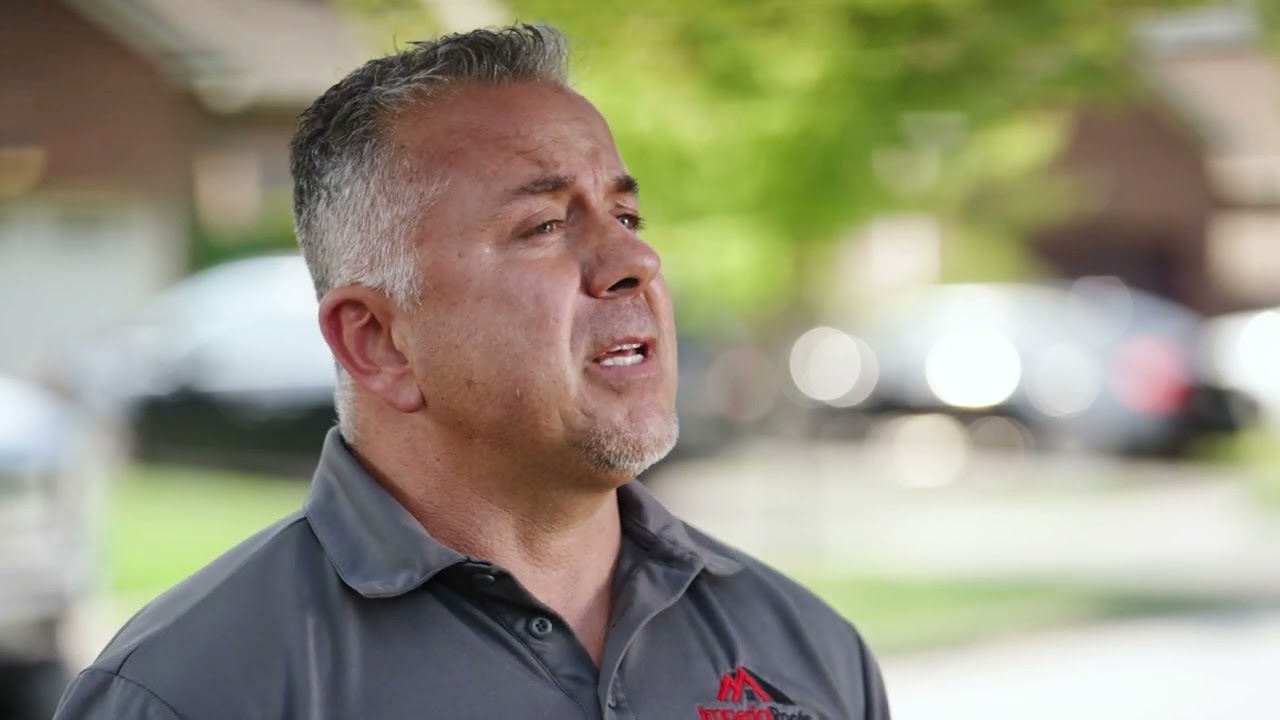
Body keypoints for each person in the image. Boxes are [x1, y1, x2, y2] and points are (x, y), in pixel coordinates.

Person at [55, 24, 890, 719]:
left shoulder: (808, 653)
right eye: (544, 225)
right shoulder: (188, 692)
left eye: (626, 212)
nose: (636, 256)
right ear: (377, 341)